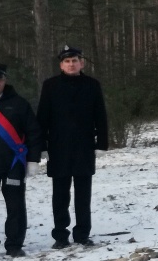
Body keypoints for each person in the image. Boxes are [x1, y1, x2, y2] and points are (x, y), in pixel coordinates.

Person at [37, 45, 108, 248]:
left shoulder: (92, 85)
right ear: (61, 65)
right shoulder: (50, 85)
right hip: (58, 148)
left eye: (75, 60)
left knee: (83, 194)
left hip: (84, 147)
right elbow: (42, 117)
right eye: (67, 61)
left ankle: (82, 234)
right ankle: (60, 235)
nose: (71, 64)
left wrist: (101, 143)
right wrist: (42, 145)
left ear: (82, 63)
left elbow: (100, 116)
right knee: (60, 194)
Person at [0, 62, 43, 260]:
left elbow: (33, 132)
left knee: (16, 207)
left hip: (14, 164)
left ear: (5, 80)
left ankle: (14, 244)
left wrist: (33, 159)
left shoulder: (19, 103)